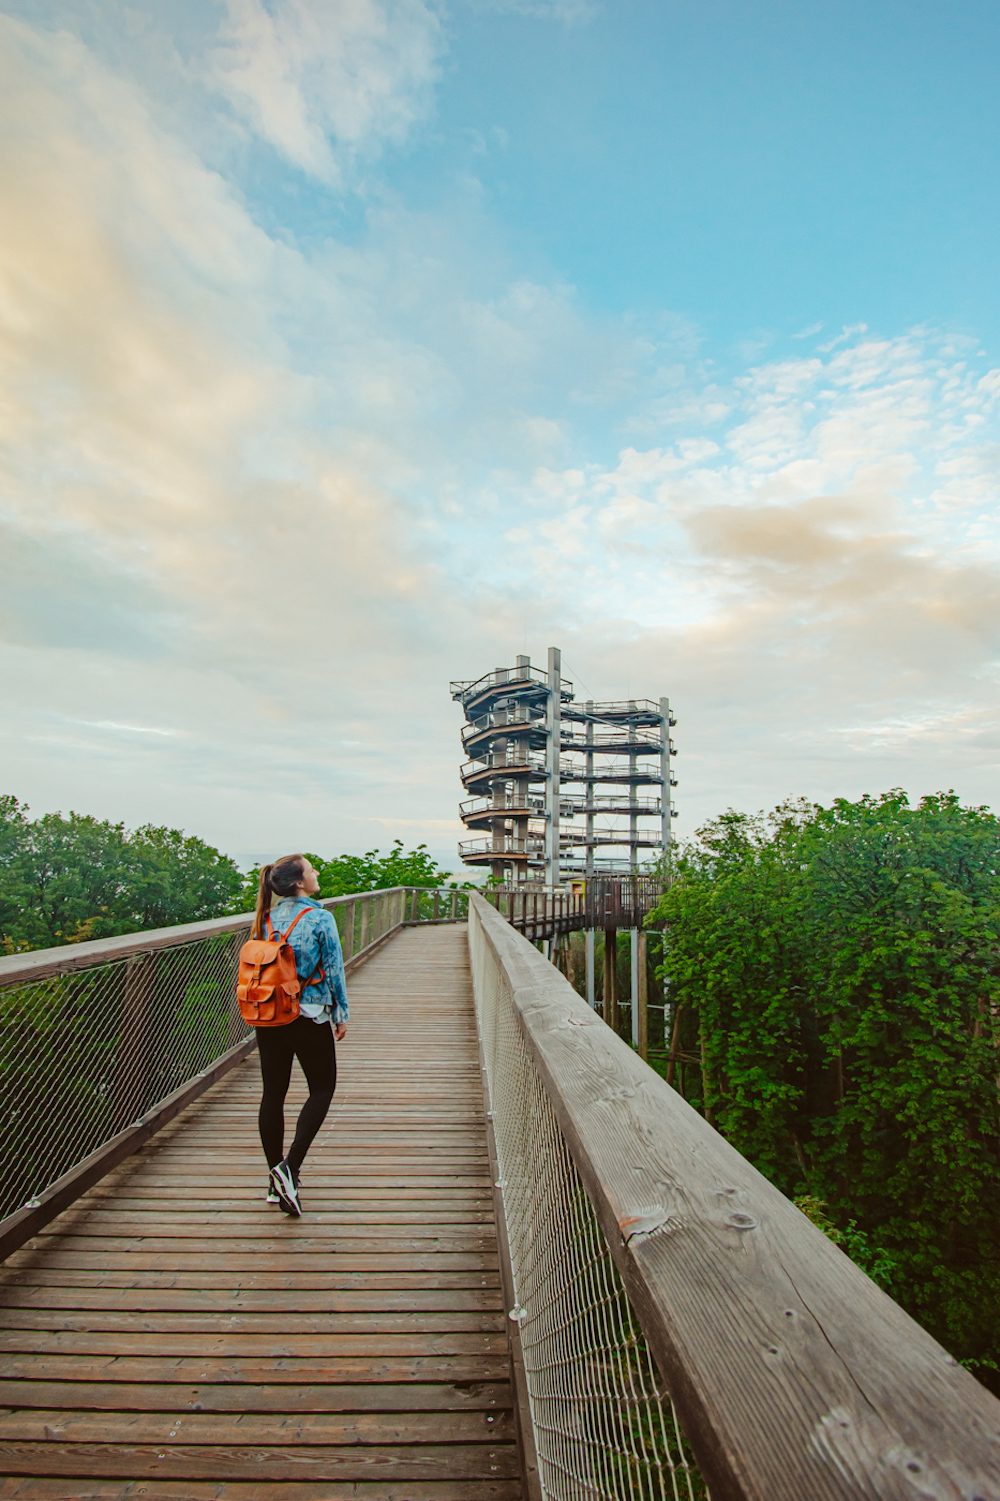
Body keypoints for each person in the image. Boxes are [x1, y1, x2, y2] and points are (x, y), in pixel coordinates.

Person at [250, 852, 348, 1217]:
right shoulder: (320, 917)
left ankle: (274, 1180)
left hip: (268, 1014)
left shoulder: (264, 919)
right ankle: (290, 1168)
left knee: (273, 1093)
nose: (316, 872)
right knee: (322, 1088)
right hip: (307, 1013)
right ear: (298, 882)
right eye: (311, 869)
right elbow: (335, 970)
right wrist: (341, 1014)